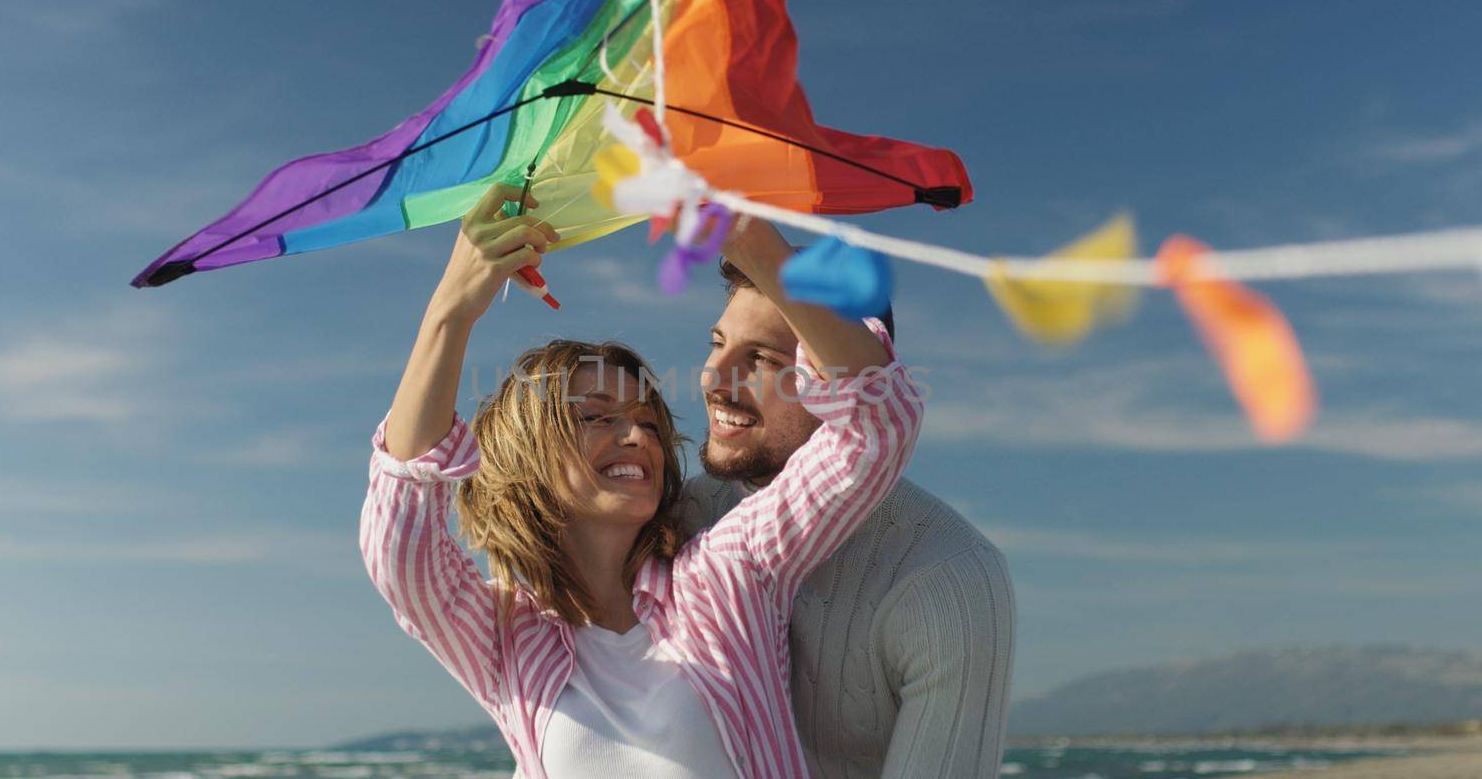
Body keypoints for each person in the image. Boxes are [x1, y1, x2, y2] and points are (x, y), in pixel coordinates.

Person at [360, 185, 924, 778]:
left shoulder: (724, 578)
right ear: (530, 452)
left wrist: (753, 242)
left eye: (648, 420)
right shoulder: (507, 640)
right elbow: (402, 548)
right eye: (598, 417)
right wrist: (451, 308)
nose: (638, 438)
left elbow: (876, 424)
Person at [679, 218, 1016, 778]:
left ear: (832, 376)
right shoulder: (679, 518)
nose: (714, 377)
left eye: (762, 359)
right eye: (717, 343)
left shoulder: (950, 576)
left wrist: (757, 246)